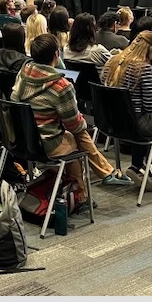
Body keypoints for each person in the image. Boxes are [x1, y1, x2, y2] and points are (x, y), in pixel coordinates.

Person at [12, 34, 132, 206]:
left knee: (74, 136)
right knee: (78, 135)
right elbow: (74, 125)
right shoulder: (61, 86)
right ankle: (84, 193)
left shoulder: (23, 73)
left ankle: (103, 175)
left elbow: (14, 99)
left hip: (24, 139)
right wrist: (82, 121)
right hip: (48, 143)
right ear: (56, 55)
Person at [101, 31, 152, 190]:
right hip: (137, 124)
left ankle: (137, 166)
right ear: (151, 50)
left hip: (113, 124)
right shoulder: (144, 69)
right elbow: (150, 106)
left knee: (145, 123)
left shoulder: (112, 63)